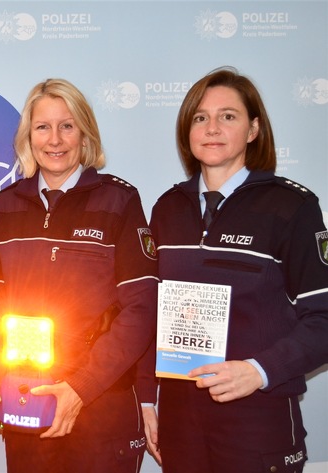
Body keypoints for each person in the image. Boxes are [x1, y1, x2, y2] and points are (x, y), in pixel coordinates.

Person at [138, 67, 328, 473]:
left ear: (253, 129)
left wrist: (259, 372)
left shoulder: (292, 208)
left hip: (257, 417)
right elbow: (147, 312)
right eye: (200, 117)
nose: (212, 128)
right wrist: (147, 399)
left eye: (228, 116)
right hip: (181, 421)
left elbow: (324, 318)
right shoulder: (167, 209)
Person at [0, 79, 159, 472]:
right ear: (28, 136)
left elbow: (141, 310)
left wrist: (80, 388)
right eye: (43, 127)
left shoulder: (119, 201)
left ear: (85, 133)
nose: (55, 139)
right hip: (25, 395)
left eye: (67, 126)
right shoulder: (5, 206)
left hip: (101, 401)